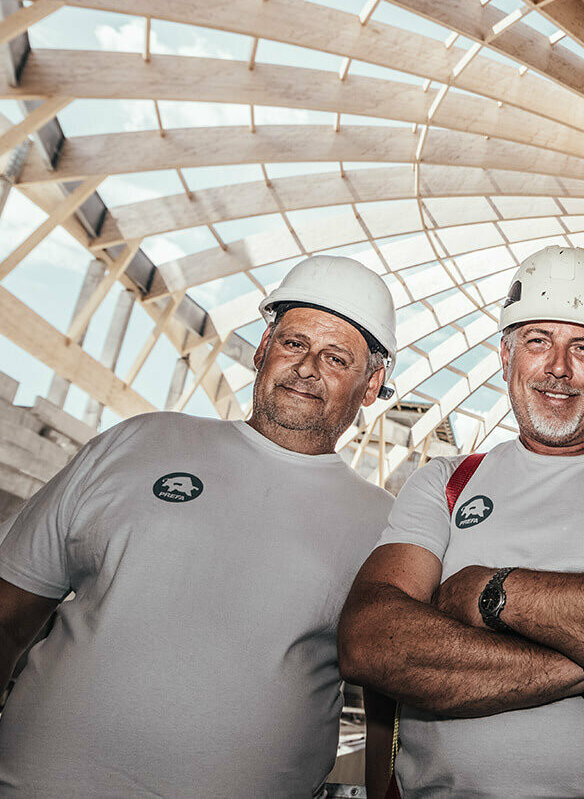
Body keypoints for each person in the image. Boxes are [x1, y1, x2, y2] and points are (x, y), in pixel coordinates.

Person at [339, 245, 584, 799]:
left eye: (582, 346)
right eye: (538, 342)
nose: (558, 367)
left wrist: (492, 594)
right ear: (506, 359)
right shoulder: (445, 482)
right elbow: (371, 639)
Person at [0, 255, 399, 797]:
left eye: (335, 357)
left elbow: (388, 707)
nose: (307, 368)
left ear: (372, 383)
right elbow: (8, 616)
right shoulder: (137, 442)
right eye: (294, 343)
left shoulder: (389, 526)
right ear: (262, 349)